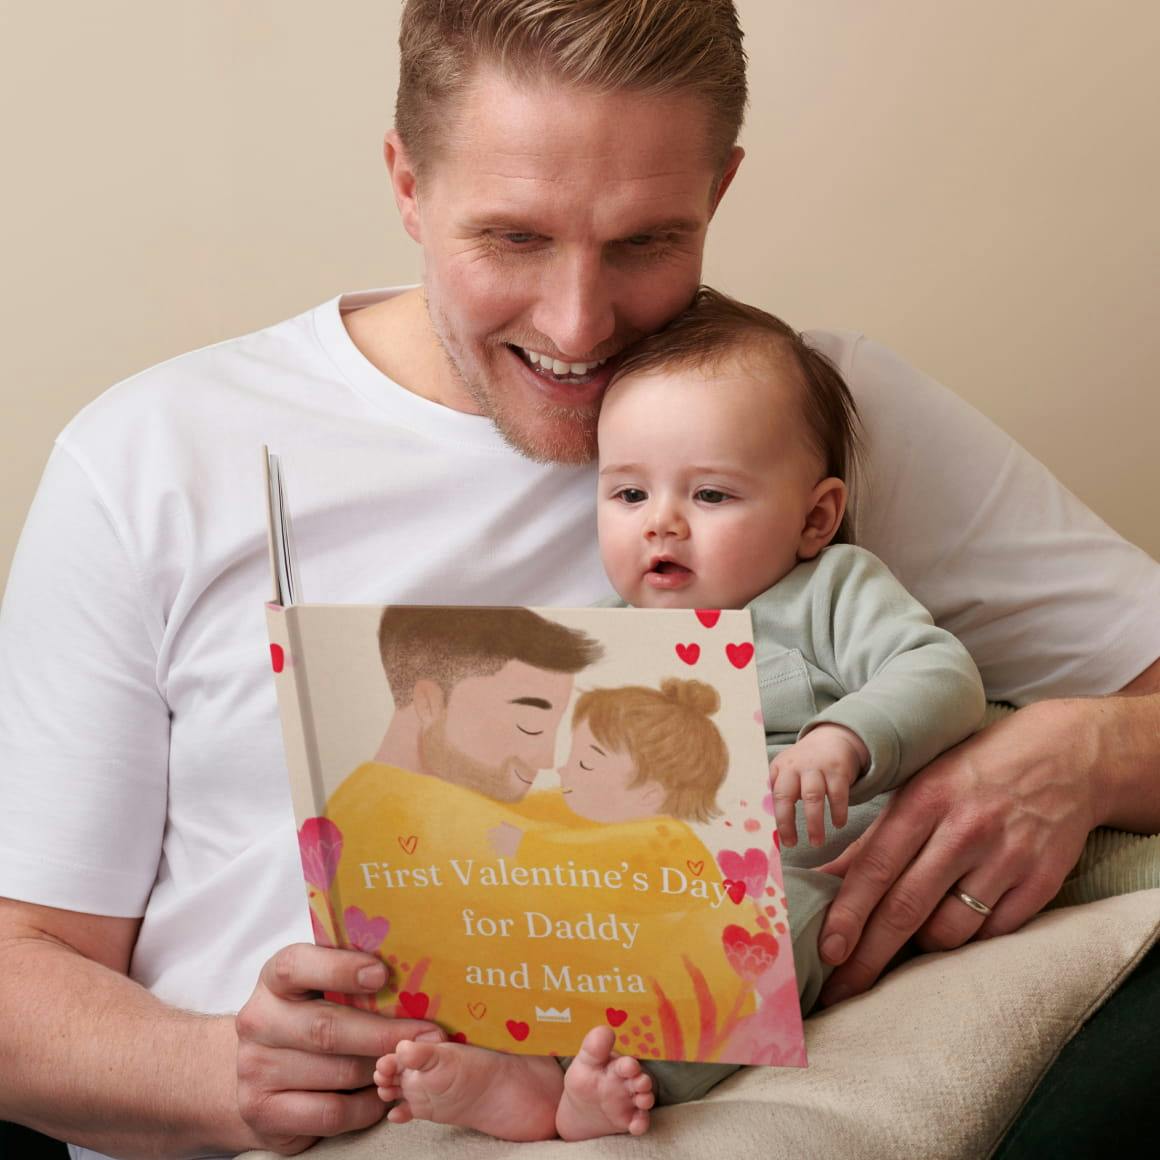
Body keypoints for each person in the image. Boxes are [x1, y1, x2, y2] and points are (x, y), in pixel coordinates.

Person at [0, 2, 1156, 1158]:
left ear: (719, 189)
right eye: (512, 239)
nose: (577, 322)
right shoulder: (155, 454)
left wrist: (1085, 751)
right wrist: (227, 1073)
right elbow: (21, 972)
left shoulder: (799, 416)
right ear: (406, 181)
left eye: (647, 241)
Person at [373, 288, 986, 1139]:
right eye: (628, 496)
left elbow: (943, 672)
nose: (661, 524)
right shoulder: (609, 637)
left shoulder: (826, 593)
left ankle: (625, 1078)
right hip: (646, 868)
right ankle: (526, 1067)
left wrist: (845, 737)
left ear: (815, 518)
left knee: (753, 944)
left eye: (710, 497)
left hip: (796, 870)